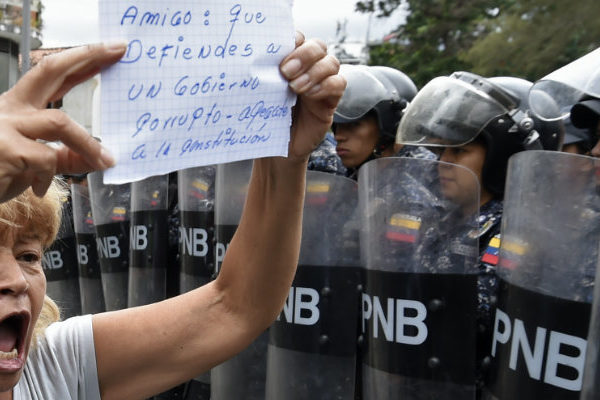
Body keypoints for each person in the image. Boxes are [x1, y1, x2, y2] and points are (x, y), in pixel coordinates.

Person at [0, 31, 345, 399]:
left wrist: (283, 158)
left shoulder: (54, 366)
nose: (17, 281)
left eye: (28, 256)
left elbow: (235, 307)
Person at [396, 71, 562, 395]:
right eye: (442, 151)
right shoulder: (441, 221)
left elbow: (475, 320)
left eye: (459, 152)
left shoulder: (518, 234)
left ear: (503, 158)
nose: (443, 162)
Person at [332, 65, 435, 179]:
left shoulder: (430, 174)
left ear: (391, 125)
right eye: (337, 125)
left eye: (354, 124)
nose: (338, 136)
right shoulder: (344, 175)